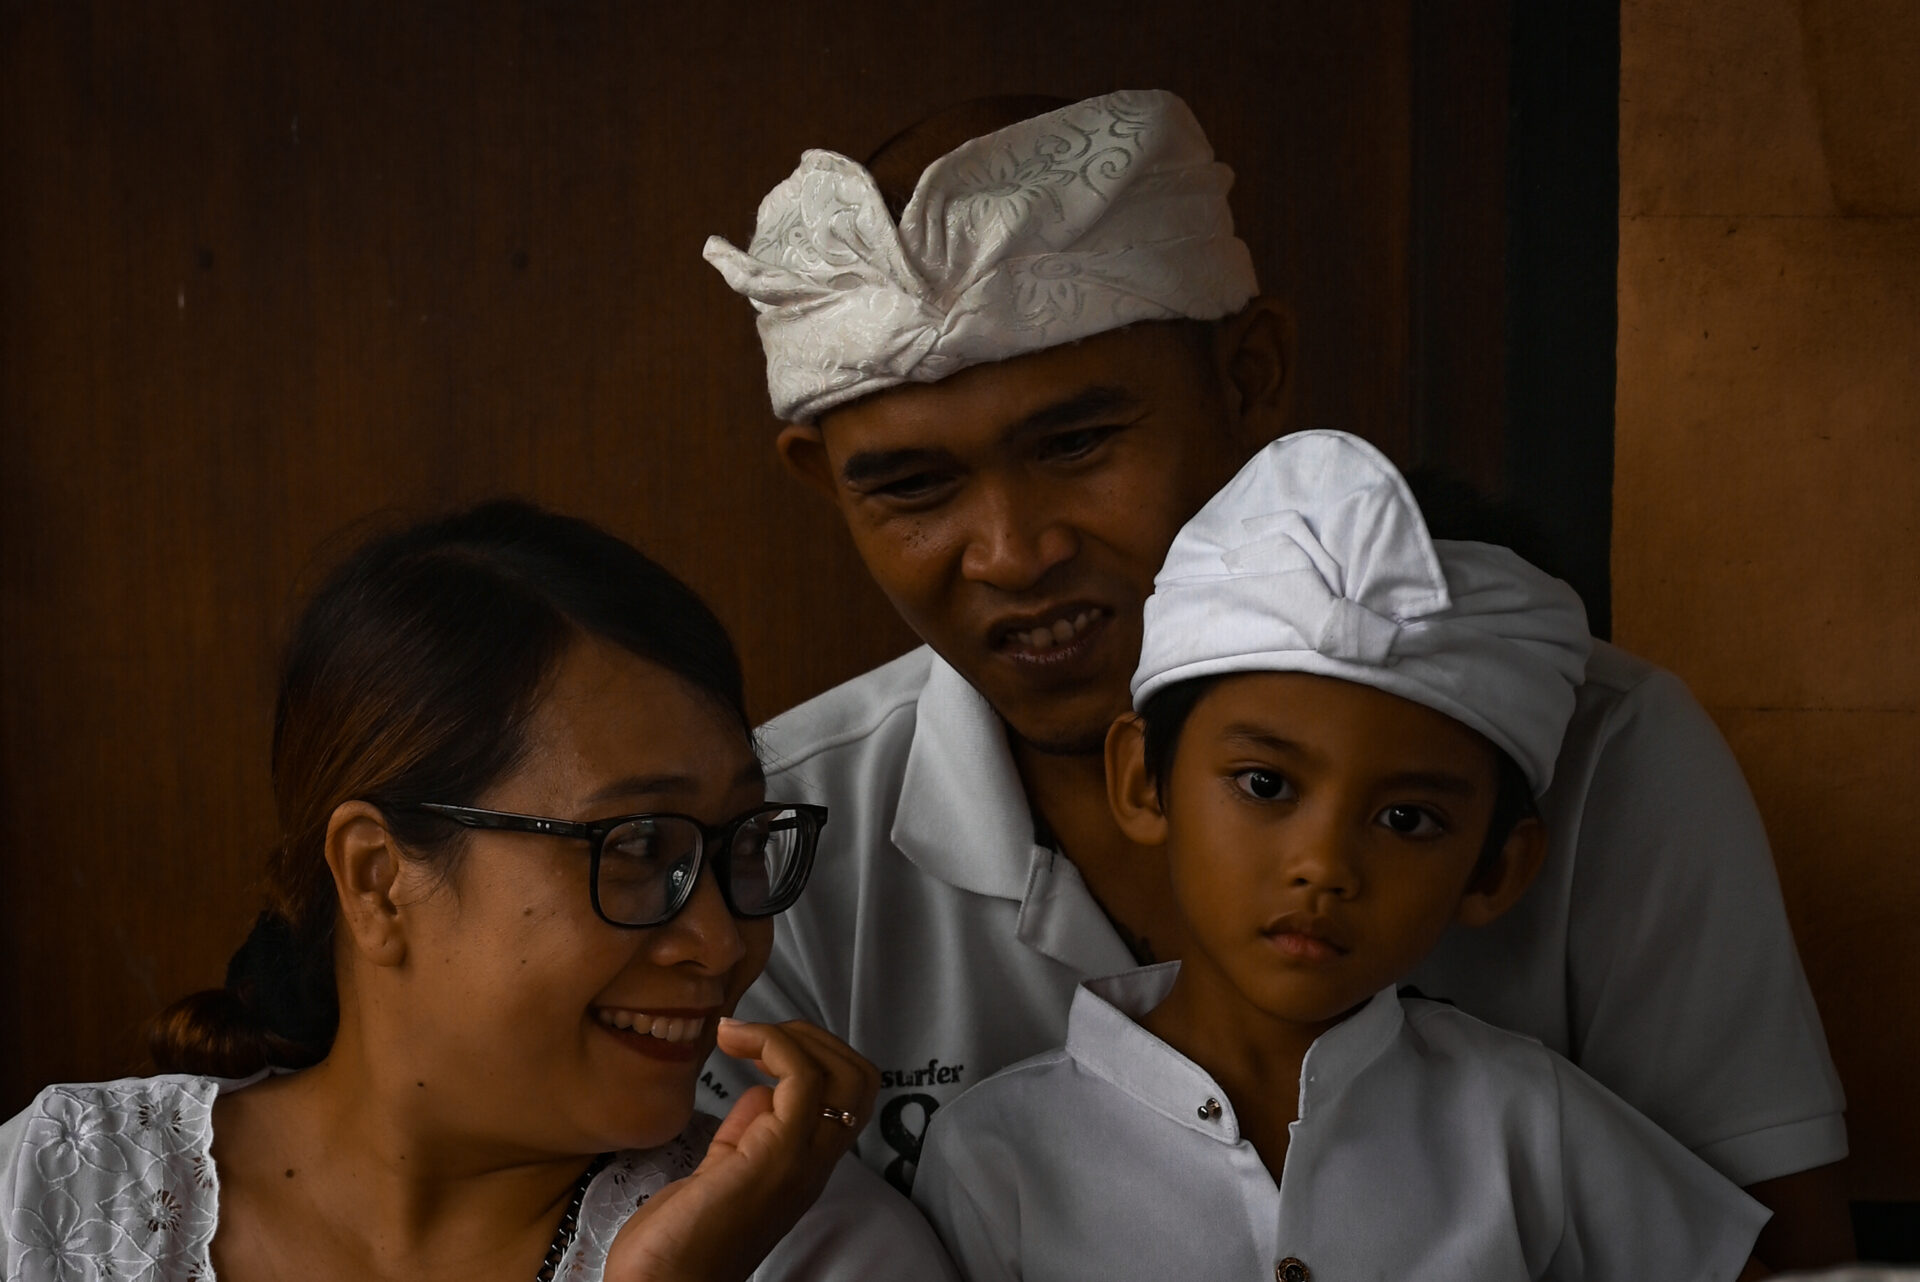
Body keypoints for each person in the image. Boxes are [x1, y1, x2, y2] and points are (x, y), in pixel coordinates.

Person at [702, 90, 1850, 1266]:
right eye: (912, 487)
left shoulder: (1596, 749)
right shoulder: (776, 844)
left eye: (1078, 444)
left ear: (1250, 375)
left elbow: (1781, 1257)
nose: (1012, 551)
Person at [0, 501, 955, 1282]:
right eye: (633, 846)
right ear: (379, 880)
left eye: (736, 846)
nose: (721, 937)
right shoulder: (54, 1191)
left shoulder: (815, 1251)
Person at [910, 429, 1768, 1280]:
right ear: (1142, 781)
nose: (1323, 864)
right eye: (1265, 786)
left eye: (1405, 819)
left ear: (1495, 868)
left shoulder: (1524, 1121)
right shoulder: (1000, 1154)